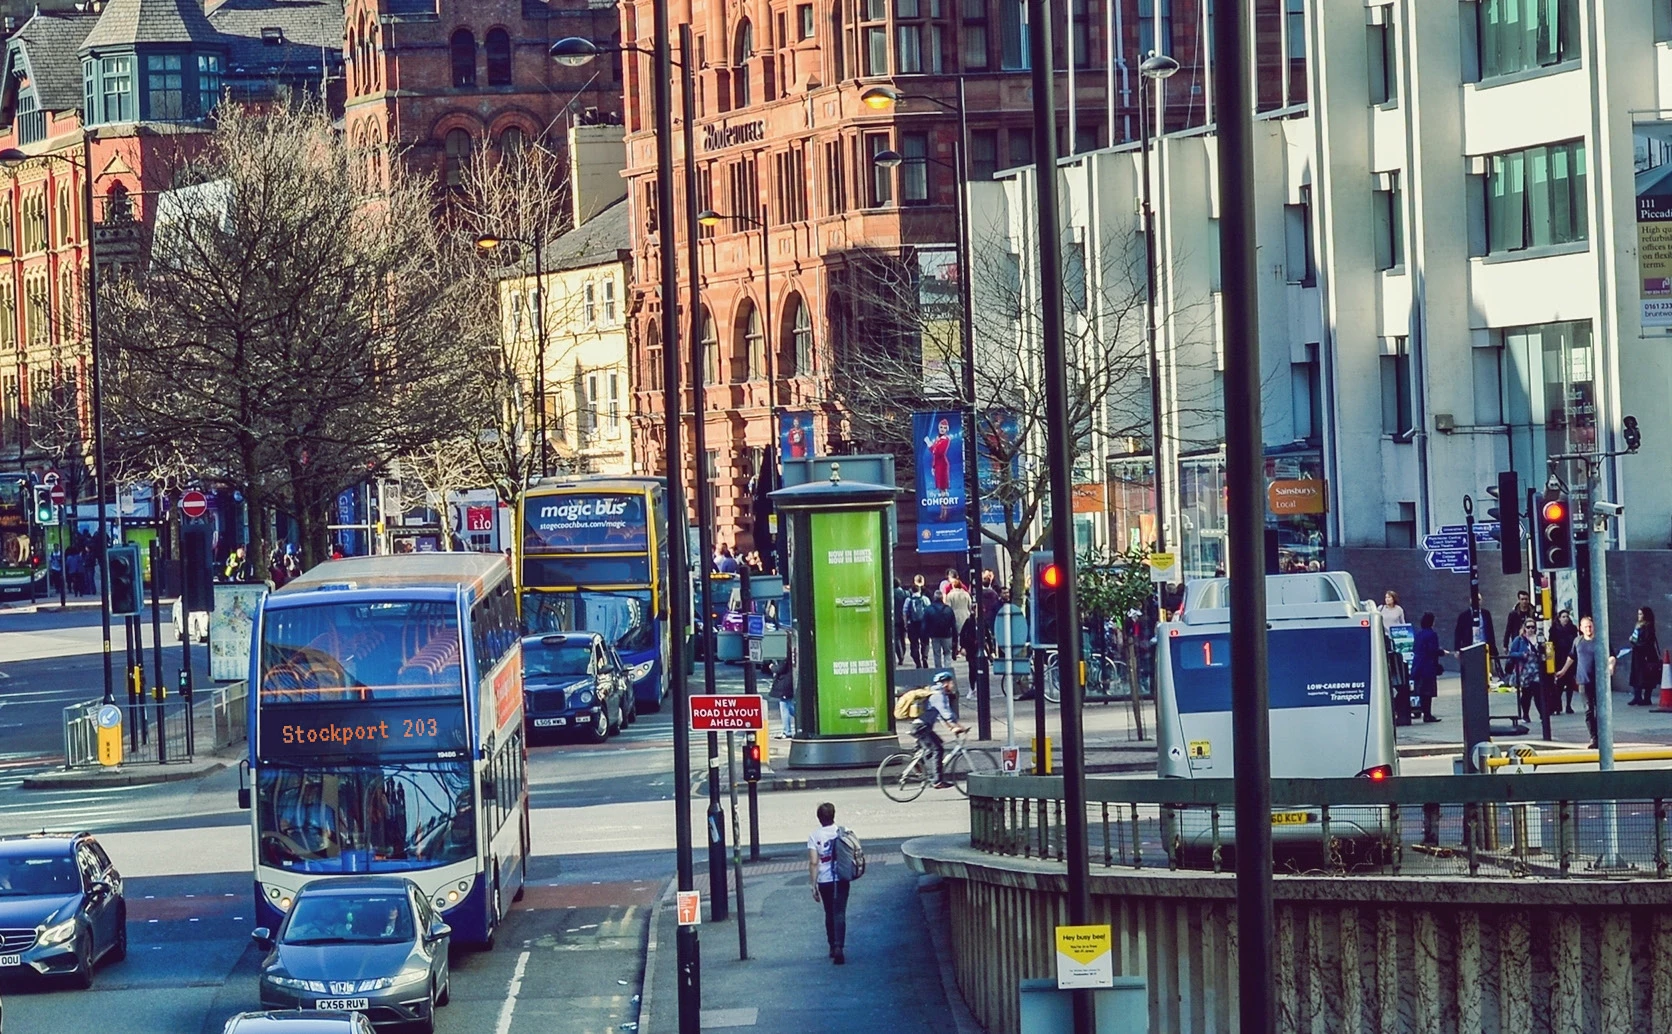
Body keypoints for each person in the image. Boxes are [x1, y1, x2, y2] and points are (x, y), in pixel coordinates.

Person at [807, 801, 850, 965]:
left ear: (819, 818)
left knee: (829, 912)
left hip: (825, 880)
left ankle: (832, 945)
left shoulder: (814, 836)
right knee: (840, 912)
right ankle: (840, 946)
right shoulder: (843, 832)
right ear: (833, 815)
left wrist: (813, 885)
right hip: (842, 877)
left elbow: (813, 862)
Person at [915, 670, 966, 789]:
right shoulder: (939, 696)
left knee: (936, 746)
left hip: (922, 726)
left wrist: (951, 728)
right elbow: (946, 714)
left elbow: (940, 716)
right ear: (945, 683)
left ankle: (918, 761)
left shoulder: (937, 694)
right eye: (951, 682)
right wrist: (959, 726)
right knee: (938, 749)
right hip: (921, 727)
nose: (953, 685)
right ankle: (937, 781)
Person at [1559, 615, 1601, 748]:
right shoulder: (1578, 641)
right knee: (1588, 710)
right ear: (1581, 628)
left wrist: (1611, 666)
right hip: (1583, 680)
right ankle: (1593, 738)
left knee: (1601, 710)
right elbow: (1571, 657)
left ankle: (1603, 736)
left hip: (1600, 682)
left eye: (1590, 626)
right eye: (1586, 626)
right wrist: (1563, 671)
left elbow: (1611, 656)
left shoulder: (1601, 641)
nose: (1589, 628)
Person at [1617, 606, 1663, 706]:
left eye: (1641, 614)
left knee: (1646, 675)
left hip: (1646, 654)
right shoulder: (1638, 625)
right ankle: (1637, 696)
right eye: (1638, 614)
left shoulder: (1648, 627)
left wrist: (1635, 642)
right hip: (1638, 653)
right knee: (1637, 675)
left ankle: (1646, 698)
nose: (1639, 616)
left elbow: (1647, 641)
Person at [1506, 617, 1544, 723]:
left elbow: (1545, 652)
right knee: (1526, 694)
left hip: (1536, 669)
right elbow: (1512, 653)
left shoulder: (1539, 639)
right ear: (1524, 628)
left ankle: (1542, 715)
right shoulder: (1519, 640)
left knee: (1538, 692)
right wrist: (1521, 654)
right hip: (1524, 670)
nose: (1531, 629)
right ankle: (1525, 715)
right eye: (1528, 627)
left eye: (1533, 627)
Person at [1411, 612, 1445, 723]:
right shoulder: (1432, 634)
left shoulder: (1418, 634)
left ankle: (1424, 712)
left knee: (1421, 691)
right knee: (1428, 692)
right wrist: (1441, 652)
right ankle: (1427, 714)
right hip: (1428, 665)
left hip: (1418, 665)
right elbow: (1432, 650)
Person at [1452, 595, 1496, 663]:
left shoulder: (1486, 614)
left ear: (1481, 601)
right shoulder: (1463, 616)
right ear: (1470, 600)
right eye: (1475, 599)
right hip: (1469, 646)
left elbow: (1490, 631)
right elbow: (1458, 633)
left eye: (1478, 599)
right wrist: (1457, 649)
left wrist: (1493, 649)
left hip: (1484, 646)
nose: (1477, 601)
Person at [1550, 610, 1578, 714]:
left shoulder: (1573, 629)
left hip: (1570, 658)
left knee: (1570, 683)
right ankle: (1558, 706)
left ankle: (1568, 705)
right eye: (1563, 616)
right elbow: (1551, 645)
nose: (1565, 618)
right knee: (1559, 685)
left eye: (1567, 616)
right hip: (1558, 659)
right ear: (1559, 618)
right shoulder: (1554, 630)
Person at [924, 590, 957, 668]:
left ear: (934, 598)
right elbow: (953, 625)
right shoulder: (948, 609)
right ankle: (947, 668)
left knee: (937, 653)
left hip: (934, 635)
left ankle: (938, 669)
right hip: (947, 635)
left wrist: (925, 637)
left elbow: (925, 625)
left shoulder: (929, 609)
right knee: (947, 653)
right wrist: (955, 639)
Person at [770, 646, 796, 738]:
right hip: (788, 683)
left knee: (784, 707)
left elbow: (780, 669)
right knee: (788, 706)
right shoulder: (791, 653)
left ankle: (787, 731)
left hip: (785, 684)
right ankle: (804, 720)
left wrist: (773, 667)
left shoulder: (784, 656)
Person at [944, 579, 973, 658]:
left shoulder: (950, 595)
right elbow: (970, 605)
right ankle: (963, 648)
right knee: (964, 633)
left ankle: (956, 649)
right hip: (965, 614)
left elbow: (948, 607)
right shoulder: (966, 594)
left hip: (955, 615)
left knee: (955, 634)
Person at [903, 582, 930, 668]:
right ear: (920, 590)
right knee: (925, 642)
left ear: (911, 590)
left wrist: (905, 624)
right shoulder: (925, 599)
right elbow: (929, 611)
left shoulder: (908, 600)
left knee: (914, 643)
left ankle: (917, 662)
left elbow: (904, 613)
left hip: (912, 624)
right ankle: (925, 657)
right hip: (923, 624)